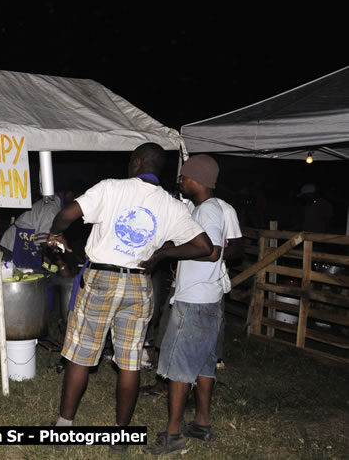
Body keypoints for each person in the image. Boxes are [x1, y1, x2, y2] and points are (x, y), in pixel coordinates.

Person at [46, 142, 213, 453]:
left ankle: (63, 428)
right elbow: (204, 246)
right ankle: (120, 438)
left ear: (136, 162)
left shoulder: (111, 188)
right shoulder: (171, 204)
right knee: (129, 362)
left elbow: (68, 213)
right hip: (138, 282)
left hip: (102, 279)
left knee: (81, 354)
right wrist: (162, 254)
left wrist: (56, 233)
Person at [144, 155, 227, 455]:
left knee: (178, 367)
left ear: (199, 180)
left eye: (185, 176)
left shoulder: (208, 212)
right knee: (204, 365)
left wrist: (167, 255)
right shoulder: (207, 209)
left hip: (194, 301)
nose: (180, 180)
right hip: (207, 299)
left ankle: (173, 434)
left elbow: (213, 251)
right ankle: (201, 424)